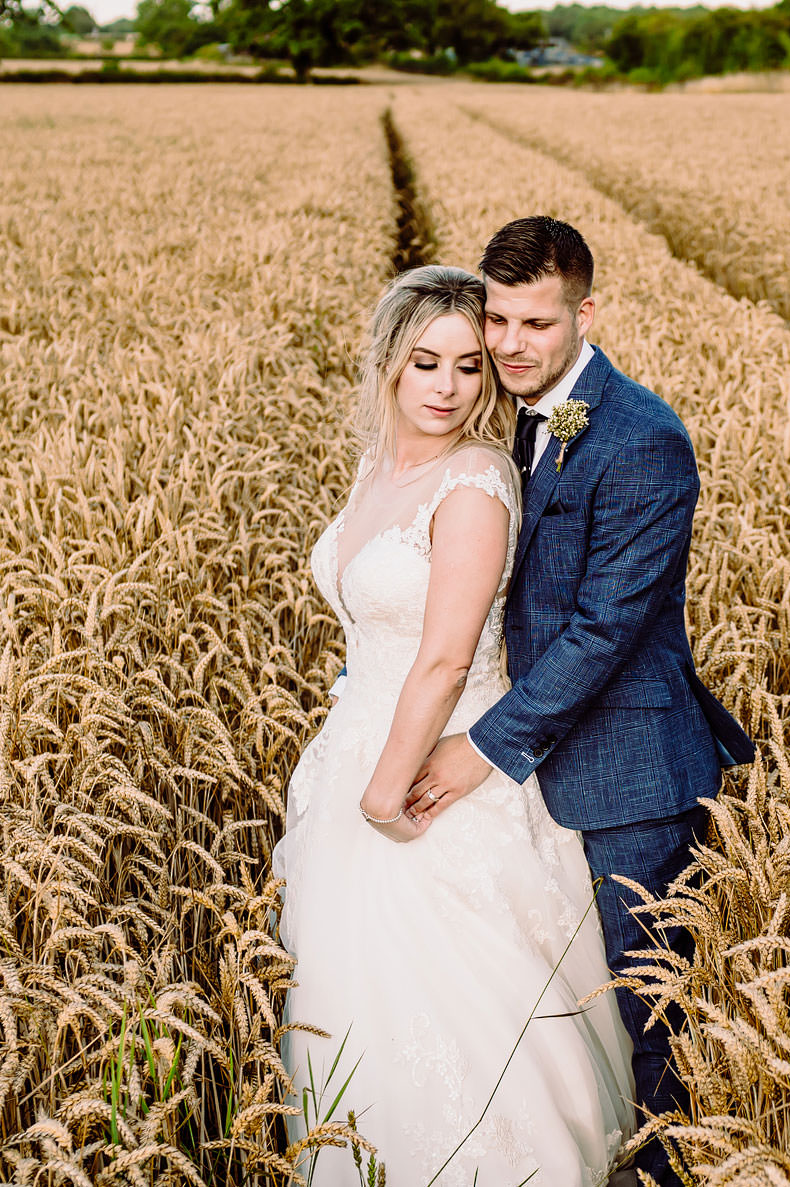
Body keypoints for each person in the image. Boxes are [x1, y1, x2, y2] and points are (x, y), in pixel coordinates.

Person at [407, 217, 756, 1187]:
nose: (510, 343)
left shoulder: (645, 438)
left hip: (624, 775)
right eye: (499, 319)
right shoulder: (498, 415)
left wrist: (479, 742)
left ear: (585, 313)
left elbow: (604, 627)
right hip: (527, 764)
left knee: (645, 1019)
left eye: (536, 322)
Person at [273, 264, 634, 1185]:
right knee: (353, 1010)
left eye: (470, 367)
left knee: (465, 1012)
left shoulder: (474, 480)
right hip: (359, 740)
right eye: (426, 362)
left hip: (436, 771)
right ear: (389, 361)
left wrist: (389, 786)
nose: (447, 387)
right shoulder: (378, 465)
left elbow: (442, 657)